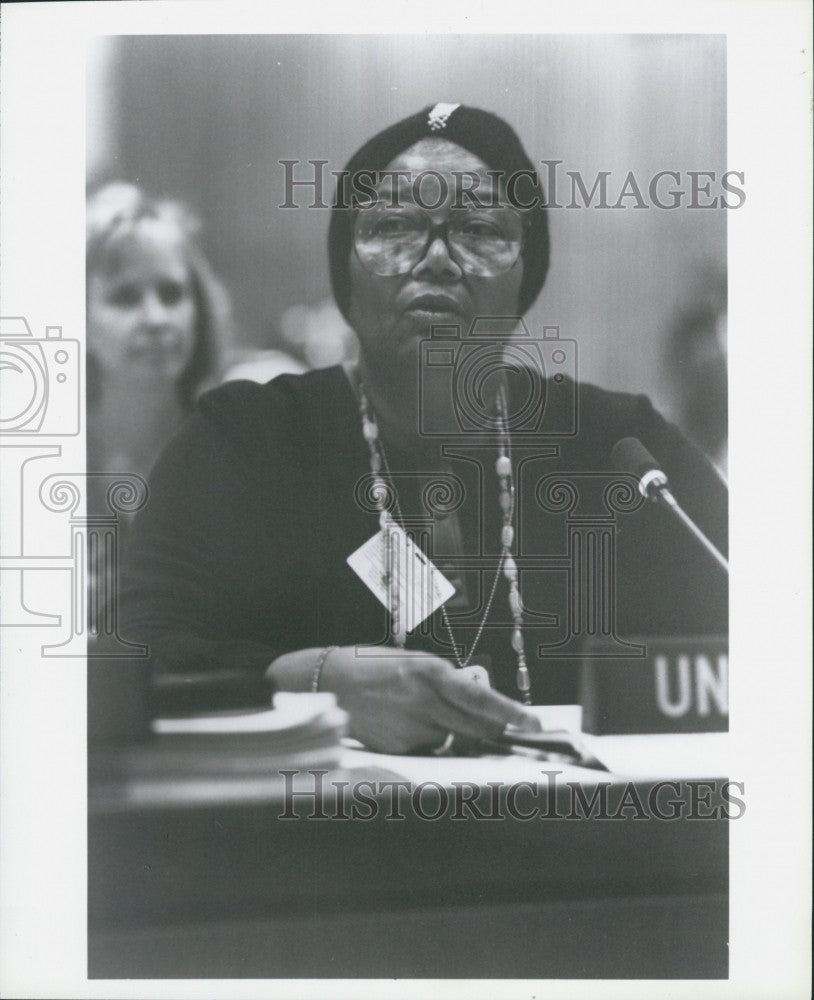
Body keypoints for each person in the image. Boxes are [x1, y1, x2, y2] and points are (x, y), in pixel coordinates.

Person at [120, 105, 727, 753]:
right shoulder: (244, 443)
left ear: (528, 274)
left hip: (592, 836)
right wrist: (308, 682)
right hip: (326, 840)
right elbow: (132, 651)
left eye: (479, 228)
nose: (436, 258)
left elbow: (767, 635)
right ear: (345, 272)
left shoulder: (622, 450)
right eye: (394, 226)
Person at [86, 182, 229, 490]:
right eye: (125, 297)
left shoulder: (234, 438)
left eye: (171, 294)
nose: (156, 318)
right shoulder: (42, 454)